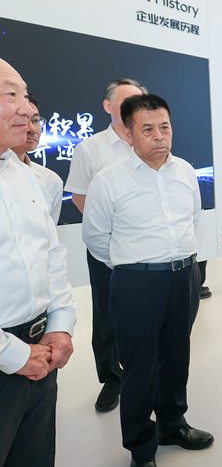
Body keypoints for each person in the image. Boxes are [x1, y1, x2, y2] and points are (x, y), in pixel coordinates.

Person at [83, 93, 213, 467]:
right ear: (128, 134)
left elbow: (193, 219)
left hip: (183, 277)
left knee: (176, 357)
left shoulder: (185, 171)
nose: (159, 136)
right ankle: (141, 449)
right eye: (148, 129)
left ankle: (173, 424)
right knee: (139, 368)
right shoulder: (109, 180)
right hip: (136, 283)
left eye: (165, 127)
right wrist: (136, 266)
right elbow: (96, 239)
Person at [0, 57, 77, 467]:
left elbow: (51, 255)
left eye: (25, 96)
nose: (27, 109)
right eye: (11, 94)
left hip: (39, 354)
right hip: (11, 355)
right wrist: (13, 354)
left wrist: (61, 323)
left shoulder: (24, 174)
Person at [65, 78, 147, 413]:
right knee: (106, 314)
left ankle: (144, 373)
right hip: (106, 247)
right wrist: (107, 232)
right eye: (126, 101)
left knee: (146, 312)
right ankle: (112, 378)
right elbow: (79, 196)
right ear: (108, 106)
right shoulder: (91, 148)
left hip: (146, 246)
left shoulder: (149, 140)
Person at [10, 94, 63, 224]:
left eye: (36, 120)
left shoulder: (51, 180)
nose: (32, 129)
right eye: (22, 121)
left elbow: (49, 233)